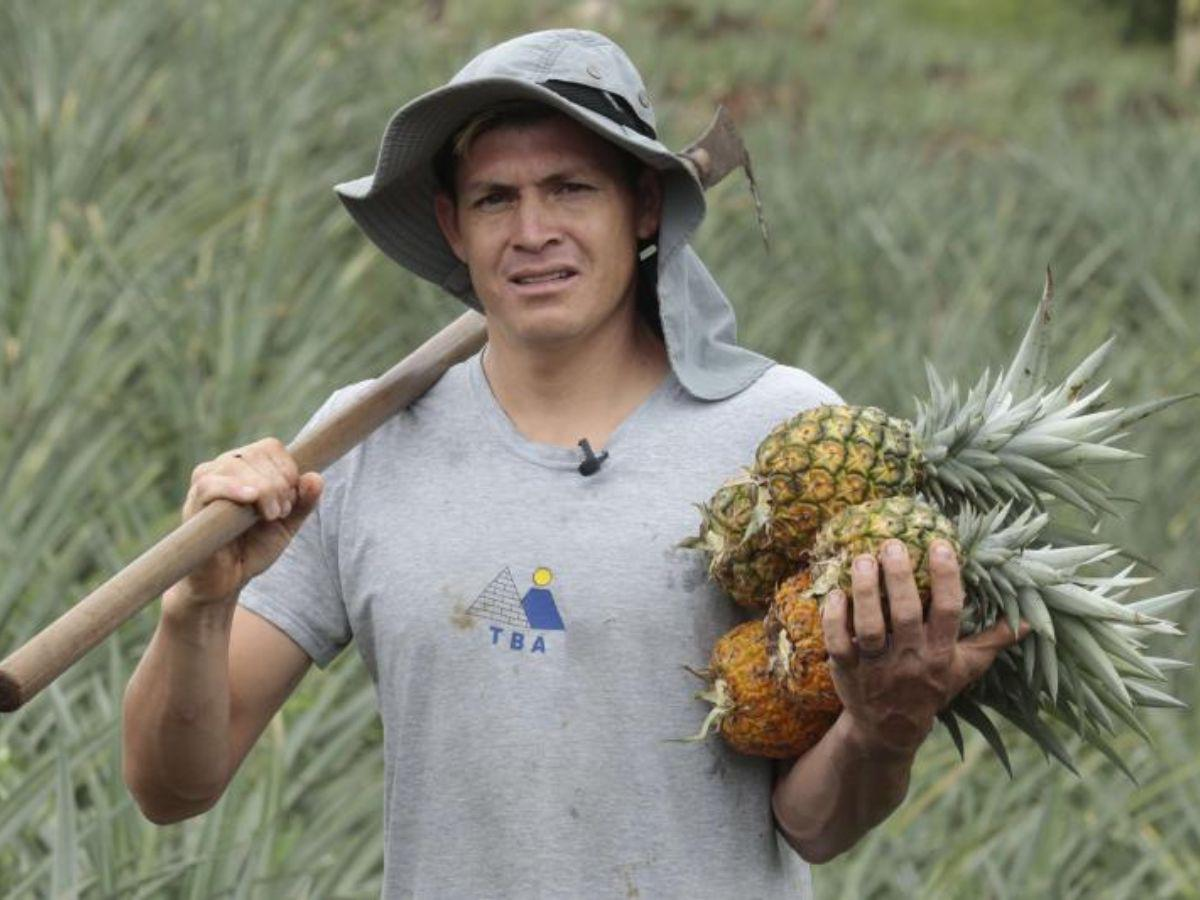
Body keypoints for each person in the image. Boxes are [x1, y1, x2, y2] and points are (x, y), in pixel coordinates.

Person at [122, 29, 1022, 898]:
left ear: (641, 207)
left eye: (570, 189)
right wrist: (197, 610)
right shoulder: (360, 445)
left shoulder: (779, 435)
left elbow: (814, 827)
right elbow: (173, 790)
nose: (533, 231)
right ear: (452, 224)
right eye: (495, 199)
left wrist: (880, 729)